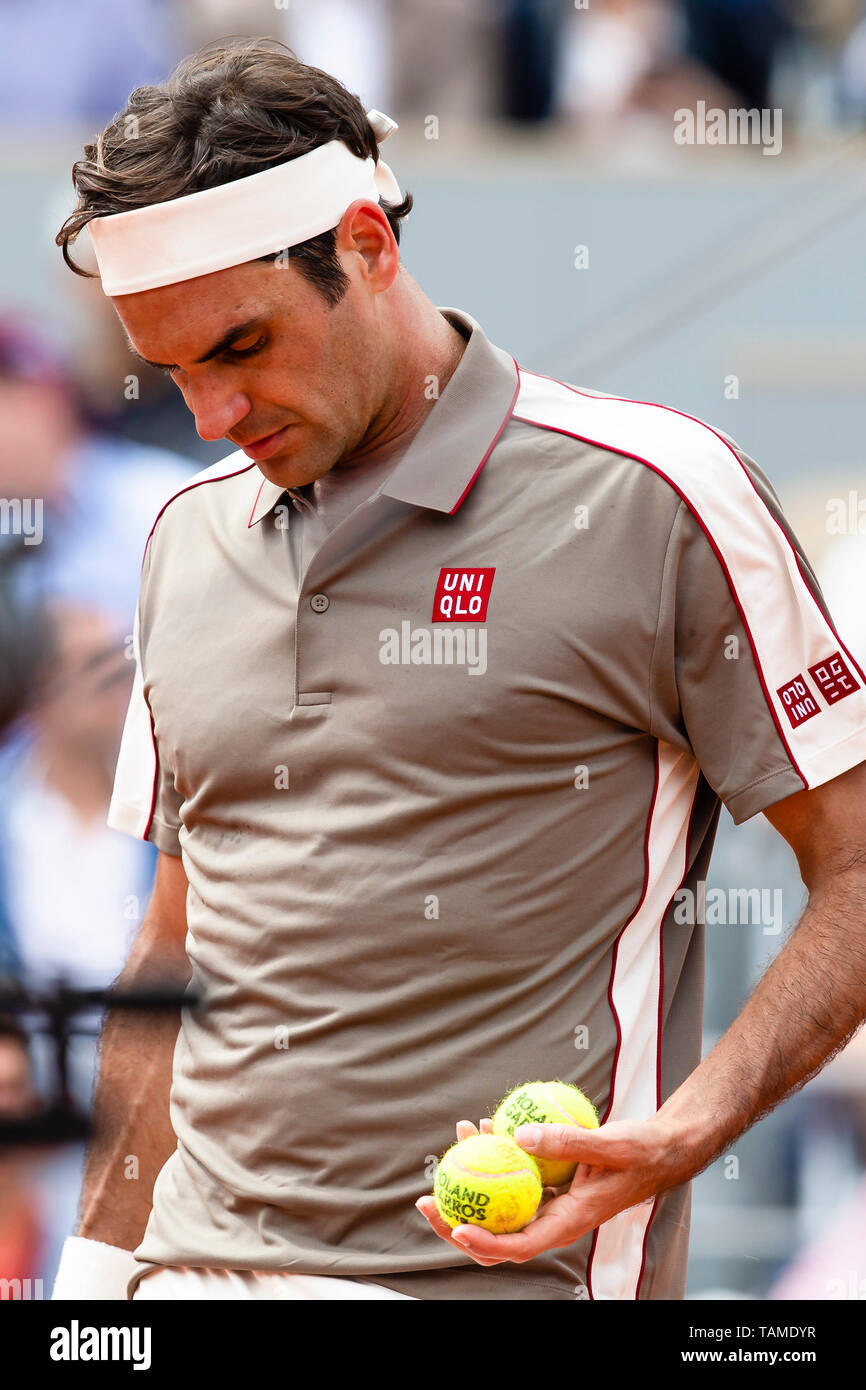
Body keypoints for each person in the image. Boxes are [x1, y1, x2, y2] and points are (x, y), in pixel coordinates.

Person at [51, 37, 866, 1302]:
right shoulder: (180, 532)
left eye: (241, 347)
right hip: (176, 1288)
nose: (208, 416)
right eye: (173, 375)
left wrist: (691, 1126)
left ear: (368, 246)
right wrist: (92, 1274)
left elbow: (854, 867)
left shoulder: (659, 496)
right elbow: (176, 941)